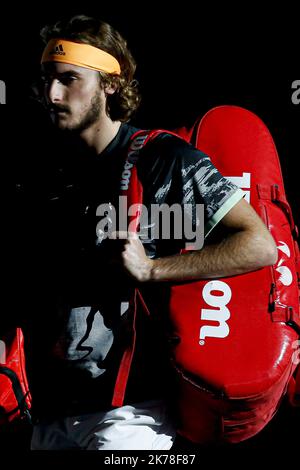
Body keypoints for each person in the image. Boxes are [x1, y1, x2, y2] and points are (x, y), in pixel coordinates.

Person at [15, 14, 277, 450]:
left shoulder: (161, 159)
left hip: (131, 418)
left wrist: (153, 270)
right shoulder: (50, 175)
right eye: (46, 80)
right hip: (50, 411)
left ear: (110, 84)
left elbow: (258, 244)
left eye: (69, 79)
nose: (52, 94)